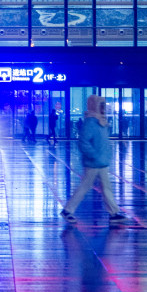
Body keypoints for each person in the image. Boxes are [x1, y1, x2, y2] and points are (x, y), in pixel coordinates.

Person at [61, 94, 127, 223]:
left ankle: (114, 213)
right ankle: (68, 210)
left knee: (106, 188)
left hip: (101, 162)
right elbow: (83, 142)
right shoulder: (91, 122)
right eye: (101, 106)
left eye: (103, 106)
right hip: (93, 163)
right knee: (85, 187)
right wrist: (94, 155)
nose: (103, 109)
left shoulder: (101, 122)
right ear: (95, 107)